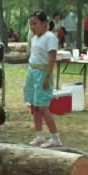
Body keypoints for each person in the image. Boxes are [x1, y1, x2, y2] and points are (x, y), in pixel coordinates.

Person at [24, 11, 61, 148]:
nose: (33, 27)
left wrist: (46, 77)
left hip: (42, 72)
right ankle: (39, 135)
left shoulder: (50, 37)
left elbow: (52, 58)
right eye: (31, 24)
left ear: (44, 24)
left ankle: (55, 137)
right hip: (32, 72)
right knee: (35, 106)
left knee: (43, 107)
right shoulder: (34, 38)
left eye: (35, 23)